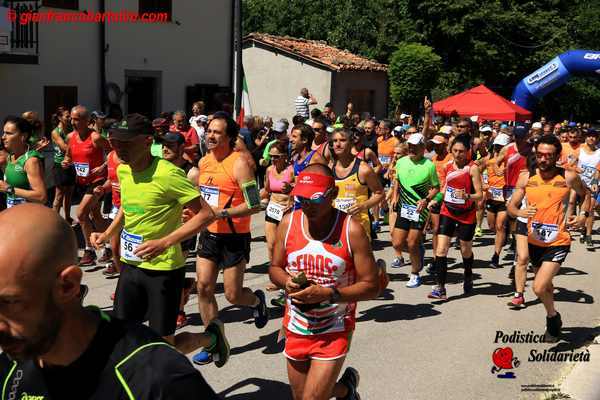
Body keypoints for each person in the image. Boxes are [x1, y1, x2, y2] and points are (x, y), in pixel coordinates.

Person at [0, 204, 219, 399]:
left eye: (9, 303)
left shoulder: (158, 380)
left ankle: (211, 338)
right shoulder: (11, 364)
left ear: (68, 286)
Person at [91, 114, 229, 363]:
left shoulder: (168, 174)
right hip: (131, 265)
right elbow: (128, 206)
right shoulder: (123, 170)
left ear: (146, 141)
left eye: (126, 143)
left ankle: (211, 338)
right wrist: (108, 233)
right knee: (122, 337)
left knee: (162, 347)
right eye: (115, 143)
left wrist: (165, 242)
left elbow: (207, 215)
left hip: (163, 270)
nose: (119, 149)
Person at [269, 164, 379, 400]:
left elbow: (372, 285)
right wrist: (286, 282)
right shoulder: (288, 224)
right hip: (296, 325)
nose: (307, 204)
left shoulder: (351, 230)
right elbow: (274, 268)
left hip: (334, 328)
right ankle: (347, 390)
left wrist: (330, 294)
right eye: (302, 198)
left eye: (315, 199)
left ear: (333, 195)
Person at [192, 112, 268, 365]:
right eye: (209, 131)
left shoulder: (239, 164)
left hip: (234, 236)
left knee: (233, 296)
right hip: (209, 235)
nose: (210, 136)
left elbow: (255, 204)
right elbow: (204, 198)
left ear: (229, 137)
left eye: (217, 132)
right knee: (203, 287)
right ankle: (214, 340)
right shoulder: (204, 163)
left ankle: (257, 301)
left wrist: (221, 213)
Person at [508, 135, 591, 342]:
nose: (543, 159)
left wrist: (582, 216)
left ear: (557, 156)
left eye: (548, 155)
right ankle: (553, 315)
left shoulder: (568, 177)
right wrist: (519, 214)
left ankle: (552, 321)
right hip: (534, 239)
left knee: (537, 287)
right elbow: (511, 206)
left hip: (558, 241)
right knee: (545, 287)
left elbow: (586, 195)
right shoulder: (526, 177)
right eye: (540, 155)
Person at [427, 133, 483, 300]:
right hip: (448, 211)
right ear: (451, 150)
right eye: (455, 151)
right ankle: (440, 288)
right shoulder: (448, 166)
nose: (458, 154)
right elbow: (444, 189)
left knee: (465, 250)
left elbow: (480, 195)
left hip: (466, 214)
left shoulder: (472, 168)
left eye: (461, 151)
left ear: (468, 152)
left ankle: (468, 274)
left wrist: (467, 196)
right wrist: (434, 200)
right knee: (441, 249)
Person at [62, 105, 110, 266]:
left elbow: (113, 151)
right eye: (71, 119)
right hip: (82, 182)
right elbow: (69, 155)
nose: (73, 122)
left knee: (81, 214)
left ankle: (89, 250)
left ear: (87, 121)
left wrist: (103, 166)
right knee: (95, 216)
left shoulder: (95, 137)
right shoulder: (71, 137)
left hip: (97, 182)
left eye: (77, 119)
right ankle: (109, 244)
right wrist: (67, 162)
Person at [391, 133, 439, 287]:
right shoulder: (401, 162)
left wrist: (426, 200)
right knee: (397, 243)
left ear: (423, 148)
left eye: (415, 146)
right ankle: (419, 252)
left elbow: (436, 187)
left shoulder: (429, 165)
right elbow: (397, 180)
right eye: (410, 146)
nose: (411, 148)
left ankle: (415, 273)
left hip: (419, 210)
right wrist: (394, 197)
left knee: (412, 243)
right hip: (404, 207)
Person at [332, 127, 384, 239]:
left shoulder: (363, 169)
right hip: (336, 226)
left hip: (359, 227)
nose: (338, 144)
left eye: (342, 140)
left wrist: (363, 205)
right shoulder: (329, 168)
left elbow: (380, 193)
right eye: (335, 141)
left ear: (351, 143)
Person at [0, 116, 47, 208]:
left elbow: (41, 197)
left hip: (28, 217)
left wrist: (9, 189)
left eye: (9, 133)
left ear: (23, 136)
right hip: (13, 215)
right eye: (4, 133)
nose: (3, 137)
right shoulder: (10, 157)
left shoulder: (31, 161)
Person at [484, 133, 510, 268]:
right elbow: (478, 170)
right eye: (497, 146)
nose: (498, 149)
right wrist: (482, 184)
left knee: (500, 226)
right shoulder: (489, 158)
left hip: (504, 197)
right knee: (492, 226)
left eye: (501, 147)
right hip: (491, 196)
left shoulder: (510, 160)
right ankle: (504, 236)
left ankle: (496, 256)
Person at [427, 133, 452, 273]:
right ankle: (437, 259)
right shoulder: (433, 158)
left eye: (438, 145)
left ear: (445, 145)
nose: (435, 147)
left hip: (447, 199)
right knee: (436, 230)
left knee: (444, 231)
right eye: (434, 145)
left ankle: (441, 257)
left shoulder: (450, 159)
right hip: (435, 199)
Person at [51, 106, 76, 224]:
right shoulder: (56, 132)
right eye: (67, 116)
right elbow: (65, 148)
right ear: (60, 118)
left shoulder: (70, 129)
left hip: (70, 164)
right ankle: (53, 221)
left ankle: (67, 217)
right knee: (59, 195)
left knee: (69, 194)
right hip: (60, 166)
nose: (70, 118)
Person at [575, 129, 600, 248]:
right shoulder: (579, 149)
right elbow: (571, 163)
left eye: (594, 136)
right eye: (589, 136)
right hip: (579, 185)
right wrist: (575, 169)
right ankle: (583, 229)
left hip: (594, 184)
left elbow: (599, 169)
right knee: (582, 209)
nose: (591, 138)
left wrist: (595, 180)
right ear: (586, 137)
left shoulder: (599, 152)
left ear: (597, 139)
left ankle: (589, 236)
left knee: (590, 209)